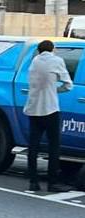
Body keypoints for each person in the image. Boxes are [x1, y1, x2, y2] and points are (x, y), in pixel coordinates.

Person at [24, 39, 74, 192]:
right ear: (52, 49)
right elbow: (68, 85)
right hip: (50, 108)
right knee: (54, 146)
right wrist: (54, 90)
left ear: (39, 50)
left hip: (33, 108)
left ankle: (33, 181)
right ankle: (52, 182)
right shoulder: (57, 60)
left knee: (33, 146)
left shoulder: (34, 61)